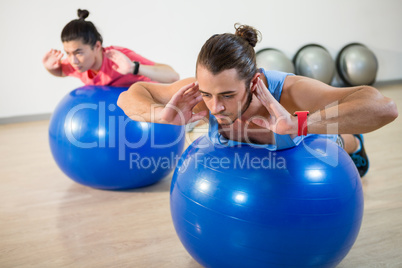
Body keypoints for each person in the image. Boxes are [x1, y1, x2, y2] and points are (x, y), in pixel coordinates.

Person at [117, 24, 398, 177]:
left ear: (253, 83)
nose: (215, 107)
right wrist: (161, 115)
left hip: (325, 158)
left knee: (332, 138)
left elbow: (385, 107)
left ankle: (353, 141)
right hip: (259, 182)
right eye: (207, 94)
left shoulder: (291, 92)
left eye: (228, 95)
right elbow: (129, 96)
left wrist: (300, 124)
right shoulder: (201, 96)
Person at [42, 9, 179, 87]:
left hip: (151, 101)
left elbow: (173, 76)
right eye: (68, 53)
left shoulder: (118, 57)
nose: (73, 61)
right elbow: (61, 72)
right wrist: (49, 67)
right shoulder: (77, 64)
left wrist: (133, 68)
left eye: (79, 53)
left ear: (97, 46)